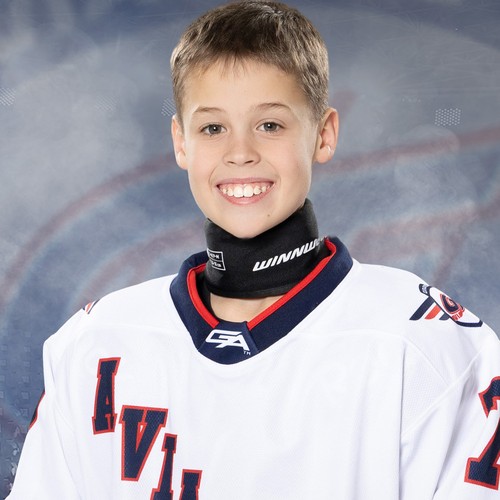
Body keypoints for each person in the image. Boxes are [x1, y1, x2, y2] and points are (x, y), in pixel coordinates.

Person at [8, 1, 500, 498]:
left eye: (270, 125)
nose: (240, 152)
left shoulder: (423, 342)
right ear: (181, 142)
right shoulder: (93, 344)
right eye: (212, 128)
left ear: (324, 134)